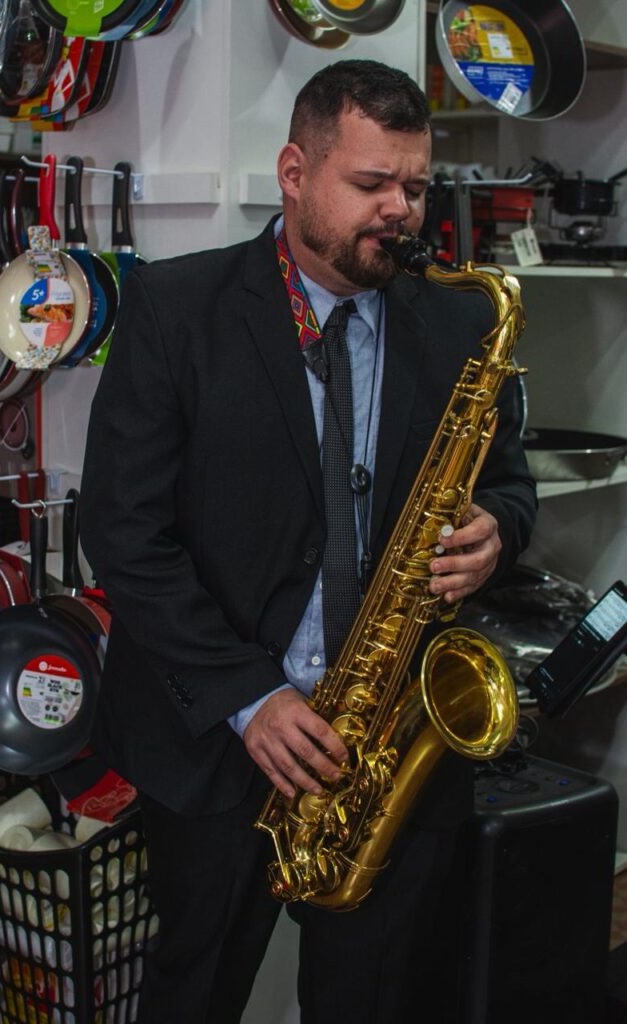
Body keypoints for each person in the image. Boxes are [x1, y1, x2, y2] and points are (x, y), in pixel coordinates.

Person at [80, 59, 537, 1024]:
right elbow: (122, 534)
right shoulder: (175, 307)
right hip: (219, 740)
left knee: (372, 1000)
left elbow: (507, 485)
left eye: (415, 186)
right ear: (294, 173)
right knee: (195, 990)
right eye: (371, 183)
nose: (400, 211)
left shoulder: (458, 318)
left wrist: (496, 531)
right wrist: (250, 698)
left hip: (386, 742)